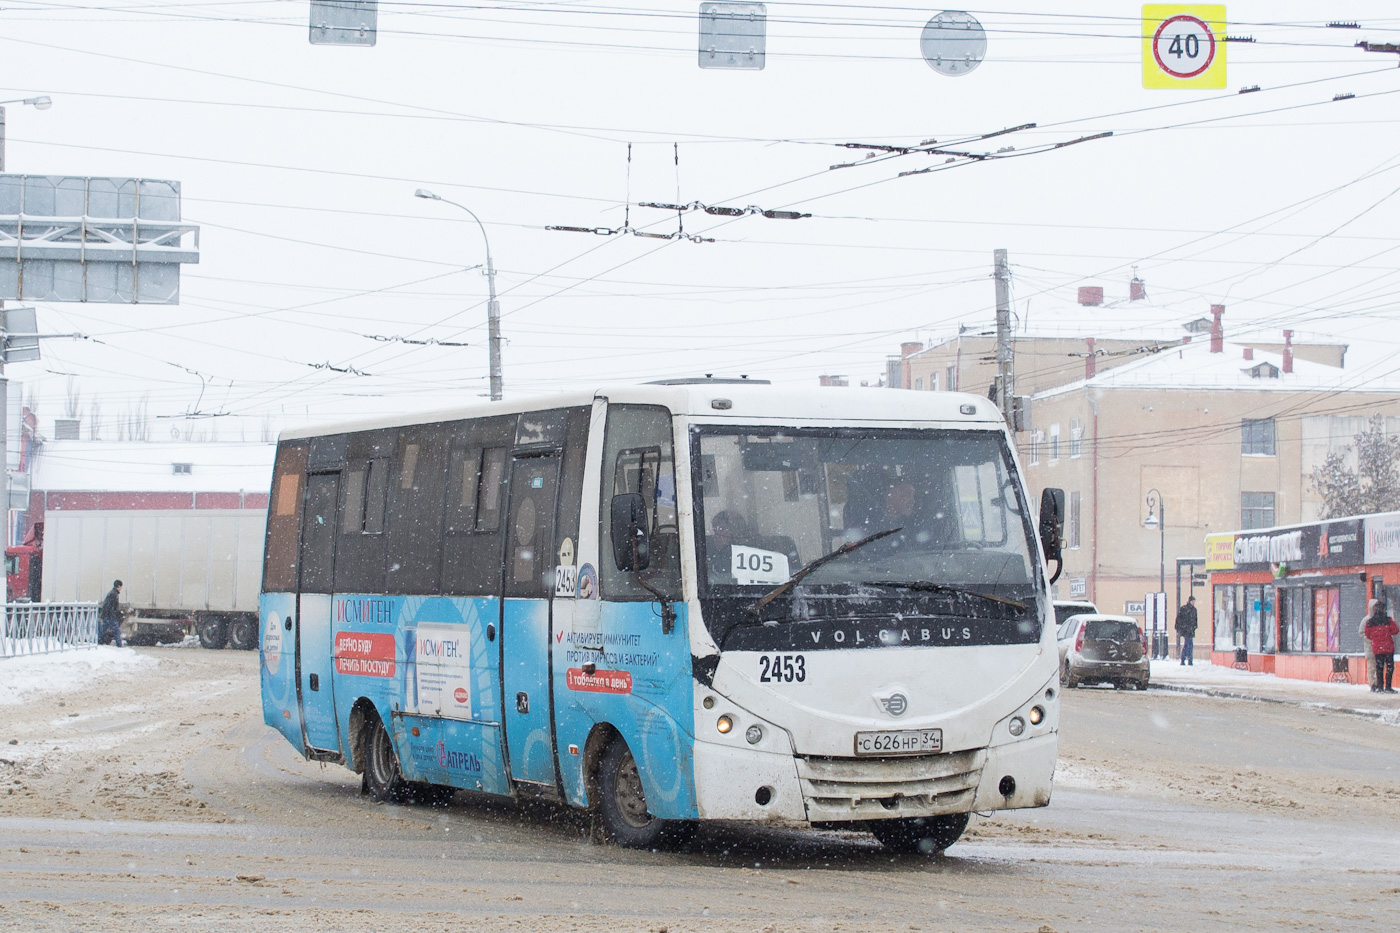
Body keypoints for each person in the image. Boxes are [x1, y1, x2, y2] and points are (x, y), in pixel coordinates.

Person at [1362, 599, 1397, 694]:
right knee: (1389, 667)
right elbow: (1395, 631)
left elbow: (1367, 634)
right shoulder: (1388, 620)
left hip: (1377, 649)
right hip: (1388, 647)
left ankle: (1380, 686)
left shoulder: (1369, 622)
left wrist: (1376, 638)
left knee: (1379, 667)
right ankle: (1388, 687)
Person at [99, 579, 124, 648]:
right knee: (116, 632)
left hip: (108, 616)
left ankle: (97, 642)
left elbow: (106, 605)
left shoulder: (112, 593)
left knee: (103, 630)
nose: (121, 588)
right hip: (111, 617)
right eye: (121, 586)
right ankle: (119, 646)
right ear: (118, 586)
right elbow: (109, 606)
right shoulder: (114, 594)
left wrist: (103, 616)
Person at [1174, 596, 1198, 666]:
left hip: (1189, 630)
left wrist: (1194, 627)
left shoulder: (1193, 610)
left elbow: (1195, 620)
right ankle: (1188, 660)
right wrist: (1180, 627)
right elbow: (1179, 619)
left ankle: (1185, 659)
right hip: (1186, 630)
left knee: (1188, 645)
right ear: (1190, 601)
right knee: (1189, 644)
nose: (1193, 603)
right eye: (1193, 601)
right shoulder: (1184, 609)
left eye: (1194, 602)